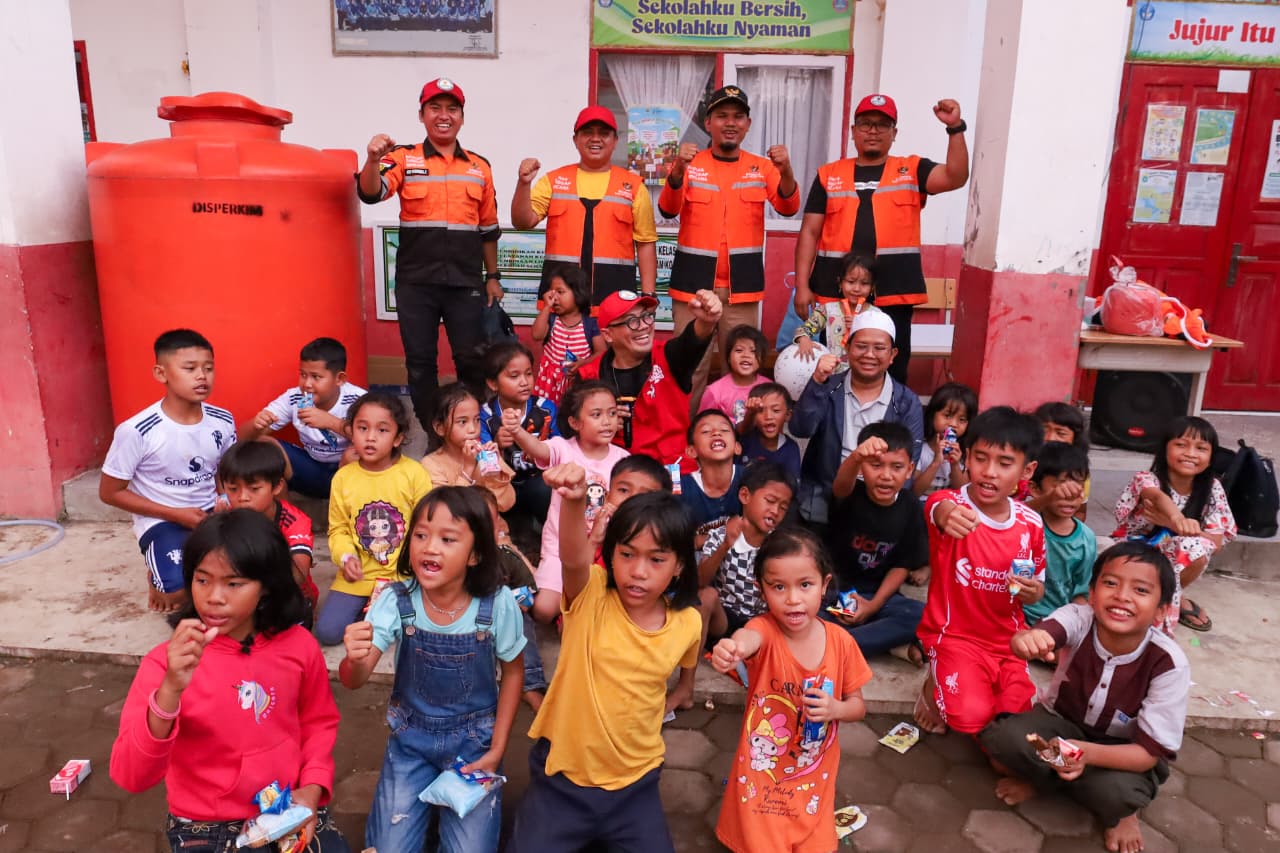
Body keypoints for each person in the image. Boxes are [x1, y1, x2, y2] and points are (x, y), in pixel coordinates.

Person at [110, 510, 347, 852]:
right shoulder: (166, 664)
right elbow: (130, 775)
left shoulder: (299, 647)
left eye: (233, 583)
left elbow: (318, 722)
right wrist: (170, 691)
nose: (214, 597)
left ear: (266, 586)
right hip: (206, 825)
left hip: (288, 803)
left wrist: (312, 788)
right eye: (202, 580)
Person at [509, 466, 701, 853]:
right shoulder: (591, 594)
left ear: (679, 565)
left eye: (657, 559)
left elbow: (688, 659)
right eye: (627, 554)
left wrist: (684, 690)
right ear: (610, 554)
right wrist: (574, 500)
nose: (638, 571)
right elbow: (573, 559)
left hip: (635, 784)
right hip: (562, 780)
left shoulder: (688, 621)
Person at [340, 487, 524, 852]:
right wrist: (354, 658)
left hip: (475, 745)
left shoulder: (497, 604)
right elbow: (353, 681)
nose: (430, 548)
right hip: (410, 743)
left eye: (447, 539)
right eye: (421, 535)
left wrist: (497, 748)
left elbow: (514, 672)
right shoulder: (396, 600)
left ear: (475, 554)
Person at [979, 542, 1188, 853]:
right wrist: (1027, 639)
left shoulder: (1169, 663)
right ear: (1092, 593)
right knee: (1004, 741)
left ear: (1161, 611)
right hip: (1060, 727)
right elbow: (1047, 632)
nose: (1122, 596)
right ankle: (1050, 779)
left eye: (1141, 590)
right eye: (1110, 583)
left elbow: (1147, 754)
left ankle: (1119, 813)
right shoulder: (1079, 617)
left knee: (1120, 795)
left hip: (1119, 751)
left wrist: (1085, 754)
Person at [711, 527, 871, 853]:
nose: (793, 599)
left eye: (805, 585)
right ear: (761, 589)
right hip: (763, 782)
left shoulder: (841, 643)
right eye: (779, 587)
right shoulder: (764, 630)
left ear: (824, 585)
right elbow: (748, 637)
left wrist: (836, 709)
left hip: (813, 781)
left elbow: (858, 706)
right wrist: (732, 648)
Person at [794, 94, 970, 383]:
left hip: (893, 294)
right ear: (853, 131)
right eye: (865, 124)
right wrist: (802, 286)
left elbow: (955, 177)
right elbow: (809, 232)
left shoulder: (912, 169)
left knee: (892, 373)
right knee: (834, 370)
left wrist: (955, 128)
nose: (873, 131)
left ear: (894, 133)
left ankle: (889, 415)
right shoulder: (828, 175)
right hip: (836, 295)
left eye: (882, 125)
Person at [356, 77, 502, 425]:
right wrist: (372, 160)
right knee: (420, 363)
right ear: (421, 115)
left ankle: (469, 427)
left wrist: (493, 277)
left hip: (465, 283)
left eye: (452, 109)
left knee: (471, 359)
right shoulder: (402, 158)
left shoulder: (479, 167)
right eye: (435, 108)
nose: (443, 115)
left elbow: (488, 228)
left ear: (462, 117)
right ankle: (433, 430)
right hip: (416, 284)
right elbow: (371, 193)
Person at [659, 85, 799, 409]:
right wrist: (678, 170)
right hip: (693, 291)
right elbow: (667, 208)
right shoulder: (689, 164)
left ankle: (738, 434)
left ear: (748, 124)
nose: (730, 123)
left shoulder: (762, 167)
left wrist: (787, 170)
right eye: (722, 116)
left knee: (741, 369)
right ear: (708, 123)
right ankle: (684, 436)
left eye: (738, 116)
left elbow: (788, 207)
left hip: (742, 291)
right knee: (689, 369)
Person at [914, 406, 1046, 737]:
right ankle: (933, 684)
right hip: (954, 636)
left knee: (1014, 721)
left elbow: (1035, 588)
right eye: (981, 458)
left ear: (1027, 470)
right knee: (969, 718)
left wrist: (1032, 591)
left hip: (1008, 642)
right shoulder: (951, 504)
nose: (989, 472)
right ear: (967, 457)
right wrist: (947, 514)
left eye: (1004, 463)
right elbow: (938, 507)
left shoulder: (1030, 523)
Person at [100, 329, 237, 614]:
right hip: (162, 519)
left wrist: (225, 499)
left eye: (208, 368)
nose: (202, 376)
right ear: (161, 373)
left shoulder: (222, 420)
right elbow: (110, 493)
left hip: (212, 513)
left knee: (249, 571)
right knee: (179, 592)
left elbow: (224, 471)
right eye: (190, 368)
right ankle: (158, 576)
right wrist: (175, 514)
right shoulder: (137, 431)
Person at [506, 380, 630, 624]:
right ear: (574, 422)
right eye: (596, 415)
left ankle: (573, 614)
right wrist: (517, 431)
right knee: (543, 610)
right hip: (559, 549)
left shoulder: (624, 459)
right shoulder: (563, 448)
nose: (607, 421)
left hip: (604, 551)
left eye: (612, 413)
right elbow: (538, 450)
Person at [314, 392, 432, 646]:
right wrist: (346, 558)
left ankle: (378, 612)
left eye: (382, 430)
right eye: (362, 428)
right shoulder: (343, 478)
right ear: (351, 431)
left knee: (416, 630)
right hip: (358, 577)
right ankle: (371, 610)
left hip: (402, 576)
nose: (370, 437)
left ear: (398, 438)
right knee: (328, 632)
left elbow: (426, 529)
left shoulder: (414, 474)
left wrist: (416, 571)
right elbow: (338, 530)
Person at [511, 106, 658, 306]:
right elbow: (522, 222)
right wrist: (523, 184)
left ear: (615, 141)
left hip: (615, 303)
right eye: (588, 132)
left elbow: (646, 243)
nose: (595, 139)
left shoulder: (634, 187)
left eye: (604, 134)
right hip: (561, 303)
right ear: (575, 140)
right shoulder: (553, 181)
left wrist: (649, 295)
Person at [790, 311, 923, 527]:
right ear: (847, 348)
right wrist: (817, 382)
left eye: (879, 348)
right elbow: (800, 429)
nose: (869, 354)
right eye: (861, 346)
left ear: (892, 355)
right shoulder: (828, 387)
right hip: (823, 498)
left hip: (879, 502)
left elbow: (909, 462)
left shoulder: (907, 402)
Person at [1111, 415, 1236, 633]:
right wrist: (1177, 518)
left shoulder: (1213, 488)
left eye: (1201, 448)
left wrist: (1173, 526)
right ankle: (1163, 605)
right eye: (1181, 445)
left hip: (1176, 554)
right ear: (1164, 449)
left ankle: (1165, 600)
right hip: (1135, 548)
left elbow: (1215, 543)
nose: (1190, 453)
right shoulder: (1146, 479)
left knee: (1195, 548)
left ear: (1211, 457)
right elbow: (1157, 497)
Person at [575, 288, 723, 470]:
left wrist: (707, 321)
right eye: (632, 321)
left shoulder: (670, 357)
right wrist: (601, 423)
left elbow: (692, 340)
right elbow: (572, 429)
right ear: (608, 335)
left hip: (671, 472)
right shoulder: (589, 375)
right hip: (615, 473)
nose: (644, 325)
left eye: (647, 316)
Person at [826, 422, 928, 661]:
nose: (886, 475)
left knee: (919, 614)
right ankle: (881, 643)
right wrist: (855, 457)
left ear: (910, 470)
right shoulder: (851, 493)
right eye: (876, 465)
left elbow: (902, 565)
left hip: (879, 597)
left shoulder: (911, 507)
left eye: (897, 467)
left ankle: (839, 646)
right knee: (807, 611)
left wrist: (873, 605)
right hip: (836, 592)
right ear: (862, 467)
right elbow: (840, 486)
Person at [239, 337, 365, 498]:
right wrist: (256, 425)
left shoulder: (358, 399)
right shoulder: (295, 398)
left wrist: (331, 423)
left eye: (316, 377)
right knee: (263, 444)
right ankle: (285, 512)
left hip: (349, 472)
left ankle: (351, 509)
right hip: (310, 468)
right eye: (303, 375)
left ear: (339, 379)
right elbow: (241, 439)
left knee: (355, 454)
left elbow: (376, 438)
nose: (307, 384)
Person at [217, 440, 319, 628]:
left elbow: (298, 575)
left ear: (277, 487)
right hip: (243, 593)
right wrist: (219, 527)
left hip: (288, 593)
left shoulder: (294, 521)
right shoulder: (226, 513)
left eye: (254, 489)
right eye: (233, 489)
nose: (242, 497)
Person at [697, 460, 795, 646]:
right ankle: (693, 663)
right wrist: (725, 546)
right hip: (724, 618)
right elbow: (701, 581)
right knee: (706, 596)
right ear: (745, 495)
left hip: (759, 623)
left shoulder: (780, 545)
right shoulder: (721, 535)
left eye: (783, 507)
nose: (775, 511)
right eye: (770, 501)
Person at [479, 487, 549, 710]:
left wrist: (516, 605)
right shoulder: (454, 560)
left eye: (489, 524)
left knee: (521, 624)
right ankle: (483, 687)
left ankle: (530, 684)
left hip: (507, 617)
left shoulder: (506, 558)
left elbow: (527, 589)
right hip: (472, 624)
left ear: (499, 526)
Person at [480, 342, 557, 523]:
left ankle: (549, 530)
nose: (524, 382)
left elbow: (559, 451)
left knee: (544, 488)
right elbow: (483, 463)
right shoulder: (485, 415)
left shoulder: (545, 408)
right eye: (514, 376)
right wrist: (497, 445)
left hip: (538, 481)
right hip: (503, 484)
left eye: (528, 373)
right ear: (493, 383)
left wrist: (539, 449)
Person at [1024, 442, 1097, 626]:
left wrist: (1074, 625)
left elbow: (1080, 594)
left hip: (1057, 622)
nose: (1069, 495)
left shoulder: (1086, 539)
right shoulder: (1026, 524)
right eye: (1060, 487)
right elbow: (1014, 513)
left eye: (1077, 487)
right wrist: (1050, 497)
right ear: (1035, 489)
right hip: (1017, 616)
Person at [422, 382, 516, 511]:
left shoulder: (484, 455)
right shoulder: (431, 464)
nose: (473, 429)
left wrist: (495, 471)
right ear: (440, 428)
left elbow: (506, 504)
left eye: (477, 420)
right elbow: (445, 512)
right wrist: (468, 469)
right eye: (462, 422)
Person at [530, 264, 604, 406]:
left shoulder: (590, 324)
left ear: (578, 293)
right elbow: (536, 335)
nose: (554, 298)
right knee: (548, 414)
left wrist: (584, 363)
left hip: (577, 384)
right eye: (552, 293)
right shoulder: (551, 320)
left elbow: (601, 352)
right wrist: (546, 307)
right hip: (549, 385)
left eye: (560, 292)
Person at [792, 253, 882, 363]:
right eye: (851, 282)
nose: (857, 288)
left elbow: (881, 343)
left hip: (864, 370)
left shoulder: (876, 315)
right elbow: (803, 330)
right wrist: (804, 339)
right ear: (840, 283)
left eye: (864, 283)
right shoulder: (827, 311)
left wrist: (861, 326)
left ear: (872, 287)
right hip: (832, 370)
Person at [681, 409, 745, 541]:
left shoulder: (751, 479)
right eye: (705, 431)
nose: (716, 433)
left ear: (737, 447)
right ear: (691, 451)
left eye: (724, 430)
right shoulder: (681, 489)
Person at [913, 381, 978, 500]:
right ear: (932, 415)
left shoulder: (963, 453)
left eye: (962, 420)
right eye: (947, 416)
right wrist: (936, 462)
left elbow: (962, 492)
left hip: (948, 505)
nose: (953, 424)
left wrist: (955, 465)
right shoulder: (920, 449)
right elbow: (914, 492)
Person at [697, 324, 770, 425]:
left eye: (753, 351)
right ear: (728, 358)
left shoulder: (770, 388)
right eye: (739, 350)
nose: (746, 355)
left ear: (762, 358)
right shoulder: (714, 392)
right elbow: (704, 424)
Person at [1032, 401, 1091, 520]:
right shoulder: (1021, 464)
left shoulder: (1078, 471)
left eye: (1060, 433)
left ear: (1075, 439)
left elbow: (1080, 512)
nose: (1050, 438)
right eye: (1044, 431)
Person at [738, 382, 801, 479]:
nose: (768, 417)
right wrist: (750, 413)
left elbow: (792, 485)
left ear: (788, 415)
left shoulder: (791, 448)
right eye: (760, 411)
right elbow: (740, 430)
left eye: (776, 410)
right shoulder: (745, 439)